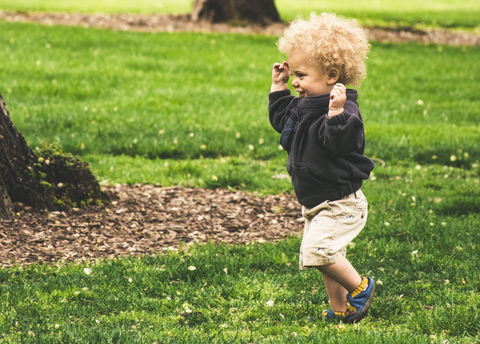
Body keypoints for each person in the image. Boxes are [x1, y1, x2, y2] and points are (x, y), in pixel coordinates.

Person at [268, 12, 375, 323]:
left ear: (331, 75)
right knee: (328, 256)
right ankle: (341, 310)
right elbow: (280, 123)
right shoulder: (301, 103)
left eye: (300, 75)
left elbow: (343, 144)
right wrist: (279, 88)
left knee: (319, 252)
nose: (296, 82)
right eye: (293, 74)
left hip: (340, 202)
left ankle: (361, 287)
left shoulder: (343, 109)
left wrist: (337, 114)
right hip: (316, 200)